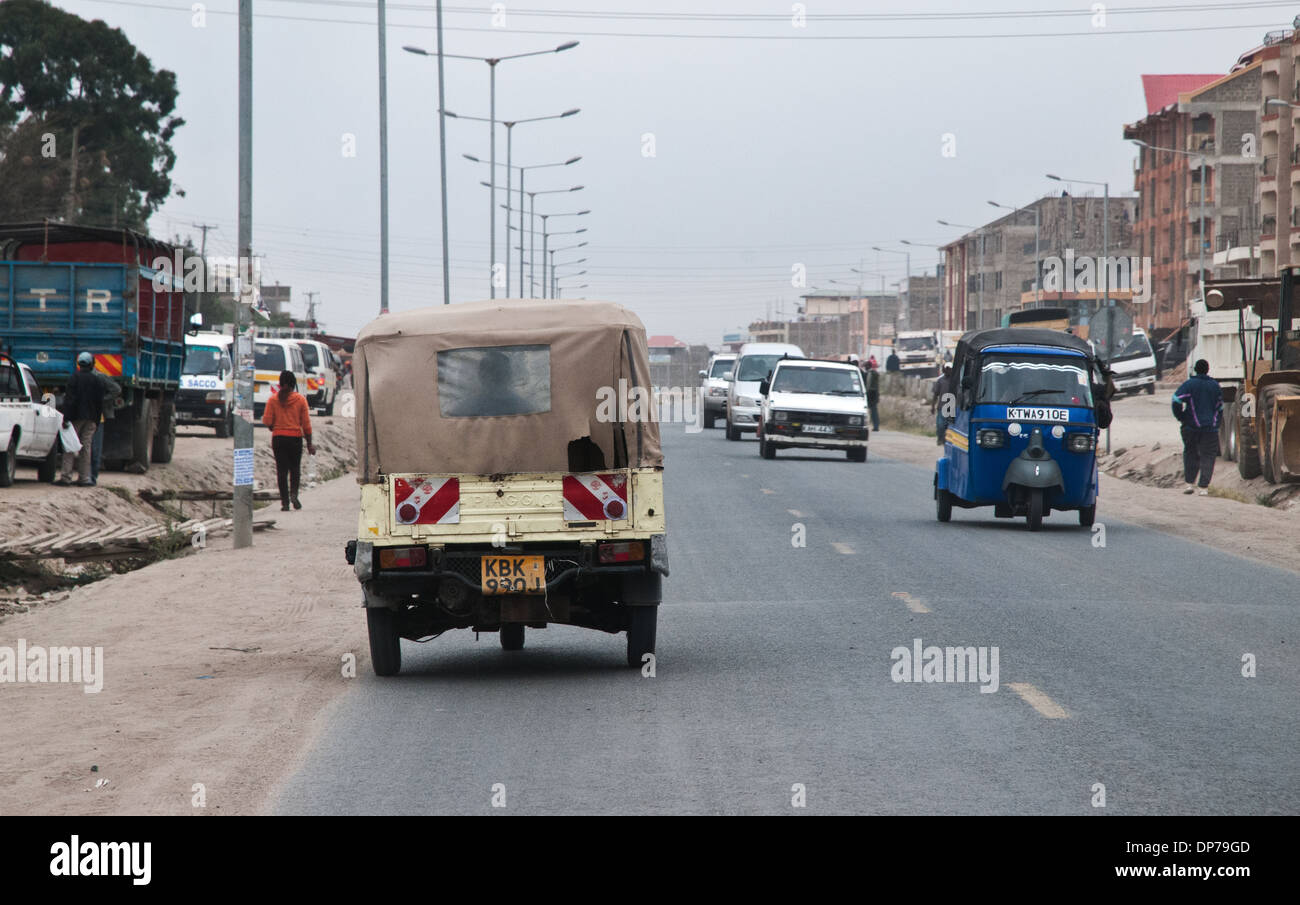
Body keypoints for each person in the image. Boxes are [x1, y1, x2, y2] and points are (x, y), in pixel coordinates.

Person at [262, 369, 316, 510]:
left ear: (280, 384)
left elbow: (267, 420)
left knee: (281, 471)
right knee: (295, 469)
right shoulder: (300, 400)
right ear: (293, 384)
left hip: (278, 439)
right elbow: (306, 424)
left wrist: (274, 427)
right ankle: (294, 495)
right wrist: (309, 443)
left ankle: (285, 503)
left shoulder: (273, 400)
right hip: (295, 439)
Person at [1172, 358, 1223, 495]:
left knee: (1190, 453)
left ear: (1195, 369)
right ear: (1207, 370)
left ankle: (1189, 484)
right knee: (1208, 456)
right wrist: (1216, 423)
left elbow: (1176, 400)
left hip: (1191, 427)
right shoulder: (1215, 386)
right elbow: (1220, 408)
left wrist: (1181, 417)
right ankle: (1203, 488)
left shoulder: (1189, 384)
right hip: (1210, 429)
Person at [56, 352, 105, 486]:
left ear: (79, 364)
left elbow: (70, 401)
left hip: (75, 418)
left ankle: (66, 477)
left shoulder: (74, 379)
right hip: (91, 420)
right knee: (86, 448)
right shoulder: (97, 380)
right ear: (91, 364)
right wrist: (96, 421)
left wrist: (66, 418)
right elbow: (99, 402)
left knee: (70, 446)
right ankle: (84, 478)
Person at [89, 369, 123, 486]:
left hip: (90, 418)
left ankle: (89, 477)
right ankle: (90, 477)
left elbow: (116, 389)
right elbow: (116, 389)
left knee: (91, 448)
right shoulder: (98, 376)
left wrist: (101, 401)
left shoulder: (98, 377)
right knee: (93, 448)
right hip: (92, 419)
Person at [931, 365, 954, 446]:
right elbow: (935, 395)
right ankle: (940, 439)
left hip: (951, 407)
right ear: (944, 370)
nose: (948, 371)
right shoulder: (940, 381)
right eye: (947, 369)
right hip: (942, 407)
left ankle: (946, 440)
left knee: (948, 425)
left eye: (950, 369)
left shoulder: (955, 381)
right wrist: (933, 406)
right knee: (940, 425)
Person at [864, 359, 881, 431]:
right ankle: (876, 425)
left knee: (873, 411)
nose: (865, 367)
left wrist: (866, 393)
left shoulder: (870, 373)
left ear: (868, 366)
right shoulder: (874, 373)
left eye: (865, 366)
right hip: (875, 394)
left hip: (871, 394)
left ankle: (875, 426)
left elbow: (868, 385)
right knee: (874, 411)